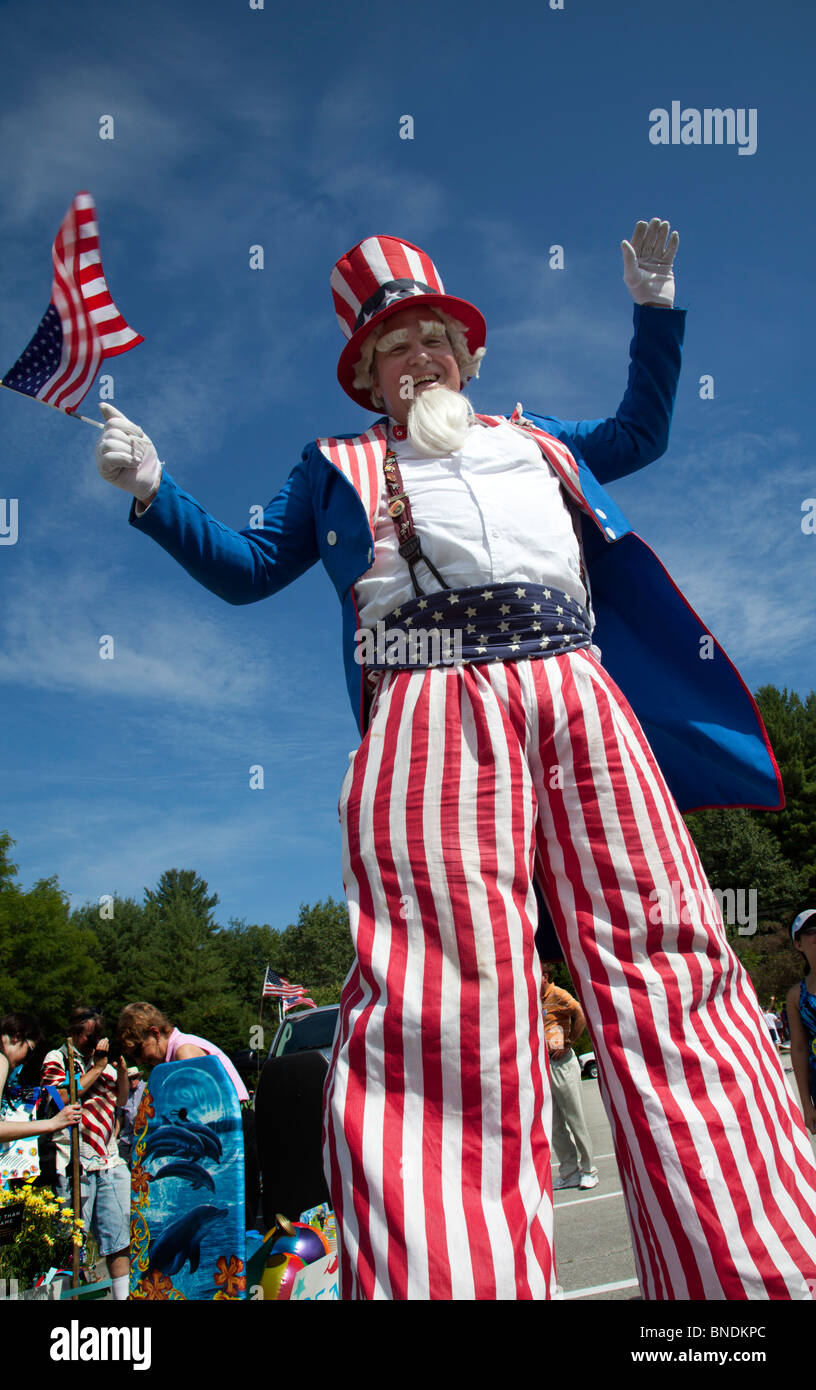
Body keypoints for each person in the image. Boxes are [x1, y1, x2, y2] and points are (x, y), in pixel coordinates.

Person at [94, 221, 816, 1300]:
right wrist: (155, 492)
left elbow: (643, 430)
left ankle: (755, 1287)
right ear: (366, 377)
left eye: (434, 338)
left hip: (577, 682)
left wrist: (656, 310)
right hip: (427, 698)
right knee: (443, 1004)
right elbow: (250, 569)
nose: (419, 357)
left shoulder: (539, 439)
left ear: (464, 358)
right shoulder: (336, 465)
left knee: (673, 962)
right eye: (395, 347)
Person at [117, 1003, 259, 1228]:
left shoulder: (184, 1051)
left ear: (155, 1033)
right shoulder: (176, 1053)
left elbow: (202, 1107)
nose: (139, 1061)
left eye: (138, 1051)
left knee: (239, 1211)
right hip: (225, 1130)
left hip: (234, 1128)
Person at [41, 1007, 130, 1300]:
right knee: (69, 1243)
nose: (92, 1044)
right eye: (87, 1037)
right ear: (74, 1031)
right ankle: (65, 1297)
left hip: (109, 1159)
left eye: (96, 1037)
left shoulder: (102, 1064)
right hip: (73, 1161)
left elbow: (122, 1099)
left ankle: (122, 1297)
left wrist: (117, 1070)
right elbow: (61, 1097)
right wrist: (94, 1068)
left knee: (119, 1240)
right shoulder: (57, 1059)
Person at [540, 967, 598, 1191]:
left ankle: (589, 1170)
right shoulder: (535, 999)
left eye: (539, 973)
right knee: (554, 1124)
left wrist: (570, 1042)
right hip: (545, 1064)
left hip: (562, 1063)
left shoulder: (558, 995)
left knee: (575, 1119)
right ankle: (569, 1171)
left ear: (546, 976)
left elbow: (580, 1014)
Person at [0, 1013, 82, 1159]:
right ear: (17, 1037)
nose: (26, 1061)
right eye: (29, 1051)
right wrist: (52, 1123)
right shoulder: (1, 1060)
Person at [786, 910, 816, 1136]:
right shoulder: (797, 996)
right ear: (798, 944)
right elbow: (798, 1049)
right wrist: (806, 1104)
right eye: (812, 931)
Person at [116, 1067, 145, 1165]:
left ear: (139, 1077)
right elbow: (120, 1118)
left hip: (142, 1136)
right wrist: (114, 1136)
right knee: (121, 1164)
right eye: (129, 1079)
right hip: (127, 1137)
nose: (132, 1081)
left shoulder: (147, 1088)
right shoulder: (124, 1093)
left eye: (135, 1078)